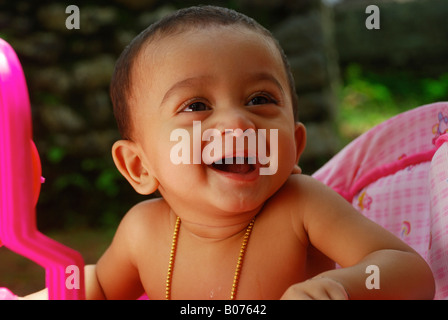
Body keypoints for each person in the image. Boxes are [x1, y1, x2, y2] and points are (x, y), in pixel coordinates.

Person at [29, 5, 435, 300]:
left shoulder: (303, 207)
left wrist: (340, 288)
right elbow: (99, 287)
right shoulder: (142, 232)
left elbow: (410, 272)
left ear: (294, 144)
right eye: (196, 106)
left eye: (260, 99)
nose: (238, 124)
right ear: (139, 166)